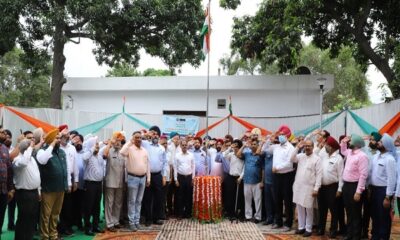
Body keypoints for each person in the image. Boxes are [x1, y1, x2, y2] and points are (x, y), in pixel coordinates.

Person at [35, 129, 68, 240]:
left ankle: (53, 235)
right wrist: (52, 145)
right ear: (51, 139)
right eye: (57, 138)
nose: (59, 140)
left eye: (59, 138)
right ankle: (44, 236)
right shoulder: (42, 151)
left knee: (55, 214)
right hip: (48, 189)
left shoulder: (62, 152)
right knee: (46, 215)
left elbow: (65, 169)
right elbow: (43, 160)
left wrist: (66, 184)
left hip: (60, 188)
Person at [262, 125, 295, 231]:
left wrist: (277, 168)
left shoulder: (291, 148)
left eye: (282, 135)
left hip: (286, 176)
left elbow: (290, 163)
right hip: (276, 176)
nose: (280, 137)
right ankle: (278, 221)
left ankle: (288, 223)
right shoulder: (276, 147)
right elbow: (264, 149)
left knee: (287, 200)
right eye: (279, 135)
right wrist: (271, 137)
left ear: (287, 136)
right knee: (277, 199)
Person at [291, 140, 322, 237]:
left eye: (309, 146)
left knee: (309, 208)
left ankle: (308, 228)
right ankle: (301, 227)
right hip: (299, 186)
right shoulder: (300, 156)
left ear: (313, 147)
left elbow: (319, 175)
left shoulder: (317, 159)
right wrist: (297, 147)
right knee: (299, 207)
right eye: (306, 146)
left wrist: (316, 188)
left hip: (309, 188)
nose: (307, 147)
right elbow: (291, 158)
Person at [340, 134, 369, 240]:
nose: (349, 143)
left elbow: (363, 175)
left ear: (356, 143)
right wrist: (343, 142)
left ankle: (356, 236)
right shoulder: (350, 152)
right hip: (347, 186)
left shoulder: (362, 156)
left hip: (355, 186)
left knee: (356, 212)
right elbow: (343, 151)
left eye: (350, 141)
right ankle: (349, 234)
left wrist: (358, 192)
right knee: (348, 211)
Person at [120, 131, 150, 232]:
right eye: (136, 137)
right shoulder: (129, 149)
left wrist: (148, 178)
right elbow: (122, 152)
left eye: (140, 138)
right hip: (133, 178)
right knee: (132, 201)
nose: (139, 139)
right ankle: (131, 222)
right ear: (133, 138)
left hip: (143, 178)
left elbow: (147, 165)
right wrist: (130, 142)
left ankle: (137, 221)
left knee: (139, 201)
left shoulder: (145, 150)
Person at [12, 138, 41, 240]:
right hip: (24, 194)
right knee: (23, 218)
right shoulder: (17, 160)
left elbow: (37, 175)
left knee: (32, 218)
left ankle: (29, 237)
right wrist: (30, 148)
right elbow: (23, 163)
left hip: (33, 193)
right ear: (27, 149)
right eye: (30, 147)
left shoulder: (32, 159)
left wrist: (38, 191)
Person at [369, 134, 396, 240]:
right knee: (375, 215)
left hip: (383, 191)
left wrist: (388, 196)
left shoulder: (390, 159)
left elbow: (391, 179)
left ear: (386, 145)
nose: (378, 143)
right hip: (374, 190)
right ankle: (375, 236)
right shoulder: (375, 156)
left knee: (384, 217)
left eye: (380, 142)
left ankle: (383, 237)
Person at [317, 136, 344, 238]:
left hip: (333, 187)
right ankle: (321, 229)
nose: (325, 147)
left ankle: (333, 230)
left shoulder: (338, 158)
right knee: (322, 209)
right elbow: (318, 153)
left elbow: (341, 175)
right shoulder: (324, 156)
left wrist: (340, 189)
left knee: (334, 210)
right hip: (322, 187)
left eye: (327, 145)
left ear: (332, 147)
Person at [142, 126, 167, 226]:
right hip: (147, 176)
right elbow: (138, 136)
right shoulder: (145, 144)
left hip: (158, 176)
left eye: (157, 134)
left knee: (158, 198)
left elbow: (164, 163)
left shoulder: (162, 148)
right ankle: (148, 219)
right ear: (151, 135)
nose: (155, 136)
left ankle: (157, 218)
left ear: (159, 136)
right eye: (154, 134)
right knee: (147, 198)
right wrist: (147, 133)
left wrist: (164, 176)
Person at [103, 132, 126, 232]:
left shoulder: (123, 152)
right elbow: (104, 155)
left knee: (118, 203)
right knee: (109, 203)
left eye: (119, 140)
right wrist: (109, 144)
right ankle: (109, 223)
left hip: (120, 182)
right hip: (110, 182)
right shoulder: (109, 150)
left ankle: (116, 221)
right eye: (116, 140)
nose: (118, 142)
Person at [58, 125, 79, 236]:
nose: (66, 137)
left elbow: (74, 165)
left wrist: (75, 180)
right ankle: (60, 228)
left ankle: (67, 227)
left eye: (67, 135)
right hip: (60, 179)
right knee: (60, 205)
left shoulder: (72, 148)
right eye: (64, 135)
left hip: (70, 178)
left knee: (68, 205)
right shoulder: (56, 148)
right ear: (59, 136)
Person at [82, 136, 105, 236]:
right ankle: (87, 227)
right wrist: (92, 149)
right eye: (95, 144)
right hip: (90, 184)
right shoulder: (87, 155)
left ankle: (95, 226)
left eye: (97, 145)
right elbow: (84, 158)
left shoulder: (99, 156)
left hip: (99, 184)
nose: (97, 147)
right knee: (88, 206)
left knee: (96, 206)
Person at [237, 139, 263, 223]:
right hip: (247, 180)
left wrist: (262, 181)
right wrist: (244, 146)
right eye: (252, 144)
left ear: (258, 145)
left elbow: (263, 169)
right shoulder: (247, 154)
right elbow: (238, 154)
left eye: (255, 144)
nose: (253, 145)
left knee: (257, 200)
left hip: (257, 181)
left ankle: (258, 217)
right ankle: (248, 216)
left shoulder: (260, 155)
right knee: (247, 199)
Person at [223, 139, 244, 220]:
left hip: (239, 178)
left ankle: (238, 213)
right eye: (234, 146)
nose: (235, 148)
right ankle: (230, 213)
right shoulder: (231, 154)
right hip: (231, 177)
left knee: (239, 196)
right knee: (230, 196)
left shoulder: (242, 155)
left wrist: (241, 177)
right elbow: (224, 155)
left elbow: (244, 168)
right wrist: (230, 148)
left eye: (237, 146)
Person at [174, 140, 195, 219]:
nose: (184, 146)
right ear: (180, 146)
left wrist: (193, 178)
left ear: (187, 146)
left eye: (185, 145)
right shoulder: (177, 155)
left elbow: (193, 167)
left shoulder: (191, 155)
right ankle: (180, 213)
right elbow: (175, 167)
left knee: (188, 196)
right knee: (180, 196)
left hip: (189, 178)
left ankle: (188, 213)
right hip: (180, 177)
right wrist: (176, 179)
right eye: (183, 145)